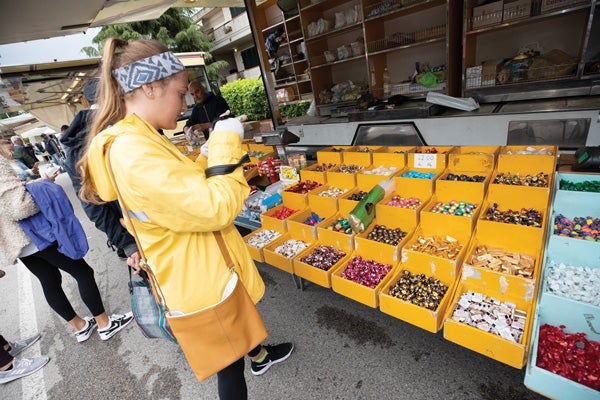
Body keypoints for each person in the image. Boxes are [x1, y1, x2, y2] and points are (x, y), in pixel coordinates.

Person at [79, 38, 293, 400]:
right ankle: (258, 357)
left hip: (199, 273)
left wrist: (203, 156)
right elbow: (214, 208)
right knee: (230, 370)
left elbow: (177, 194)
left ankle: (260, 355)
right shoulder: (133, 151)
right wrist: (225, 147)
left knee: (234, 357)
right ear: (149, 87)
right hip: (199, 283)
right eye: (180, 93)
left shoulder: (142, 139)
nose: (184, 104)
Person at [0, 154, 134, 343]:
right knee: (82, 272)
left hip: (16, 242)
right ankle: (104, 324)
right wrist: (42, 184)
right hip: (35, 235)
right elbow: (19, 206)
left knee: (49, 281)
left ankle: (79, 326)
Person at [60, 79, 139, 262]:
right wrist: (127, 242)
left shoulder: (75, 150)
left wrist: (125, 242)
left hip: (135, 231)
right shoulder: (122, 131)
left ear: (86, 102)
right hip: (139, 232)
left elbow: (90, 203)